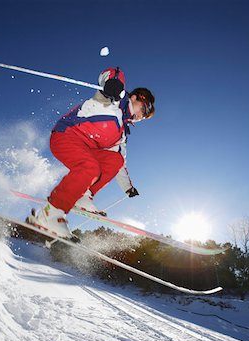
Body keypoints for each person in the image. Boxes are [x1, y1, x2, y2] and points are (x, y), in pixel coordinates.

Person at [28, 67, 155, 239]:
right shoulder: (111, 99)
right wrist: (114, 84)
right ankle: (49, 214)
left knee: (115, 160)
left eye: (146, 117)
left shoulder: (122, 132)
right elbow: (114, 72)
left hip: (86, 149)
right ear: (135, 97)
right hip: (66, 136)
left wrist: (128, 188)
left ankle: (83, 195)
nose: (143, 116)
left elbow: (120, 164)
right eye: (145, 109)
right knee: (90, 168)